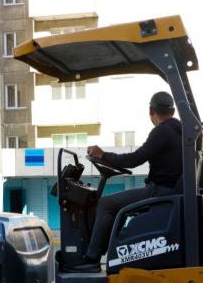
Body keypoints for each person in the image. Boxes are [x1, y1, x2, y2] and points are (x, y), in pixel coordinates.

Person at [65, 91, 183, 272]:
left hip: (159, 191)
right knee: (116, 208)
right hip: (170, 191)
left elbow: (134, 159)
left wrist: (103, 155)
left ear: (151, 111)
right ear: (173, 111)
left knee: (106, 204)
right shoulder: (181, 131)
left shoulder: (162, 131)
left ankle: (91, 259)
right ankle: (109, 251)